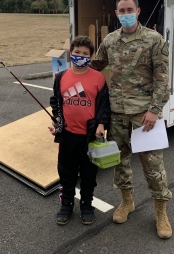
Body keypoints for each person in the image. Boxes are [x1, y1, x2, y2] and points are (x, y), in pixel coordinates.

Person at [90, 0, 173, 239]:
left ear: (138, 11)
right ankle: (127, 202)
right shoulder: (110, 40)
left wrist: (154, 110)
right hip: (117, 114)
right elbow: (96, 67)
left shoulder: (154, 40)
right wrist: (71, 73)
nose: (125, 14)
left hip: (144, 116)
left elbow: (162, 78)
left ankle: (161, 212)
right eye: (121, 10)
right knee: (120, 162)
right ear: (116, 14)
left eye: (129, 9)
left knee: (154, 166)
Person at [50, 36, 110, 225]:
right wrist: (57, 119)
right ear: (71, 53)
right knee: (66, 172)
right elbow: (56, 103)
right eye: (77, 52)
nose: (80, 56)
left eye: (85, 54)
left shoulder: (98, 78)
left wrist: (101, 125)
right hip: (68, 136)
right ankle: (66, 204)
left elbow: (103, 106)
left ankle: (86, 204)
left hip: (89, 136)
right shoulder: (60, 77)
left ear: (91, 57)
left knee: (88, 173)